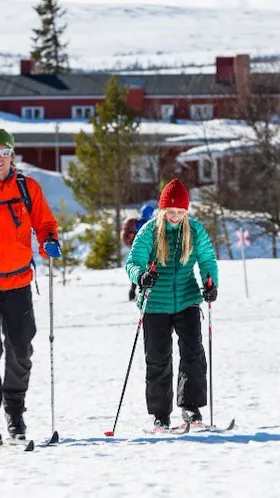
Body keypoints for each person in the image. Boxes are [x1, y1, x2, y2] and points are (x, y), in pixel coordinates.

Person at [126, 178, 218, 428]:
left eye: (180, 212)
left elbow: (208, 260)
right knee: (158, 359)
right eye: (171, 212)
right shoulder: (149, 232)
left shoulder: (195, 230)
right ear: (162, 209)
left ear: (186, 211)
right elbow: (132, 262)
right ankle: (160, 414)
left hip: (187, 298)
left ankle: (191, 408)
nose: (175, 217)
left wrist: (211, 283)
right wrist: (141, 276)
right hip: (155, 302)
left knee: (193, 354)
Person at [0, 129, 61, 440]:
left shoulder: (27, 188)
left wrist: (49, 241)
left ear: (11, 154)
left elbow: (45, 223)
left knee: (20, 349)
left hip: (19, 282)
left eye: (3, 152)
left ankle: (14, 411)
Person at [121, 203, 155, 301]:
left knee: (139, 269)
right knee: (144, 271)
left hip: (136, 247)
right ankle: (139, 292)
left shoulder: (137, 222)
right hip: (144, 249)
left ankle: (132, 291)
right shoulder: (145, 223)